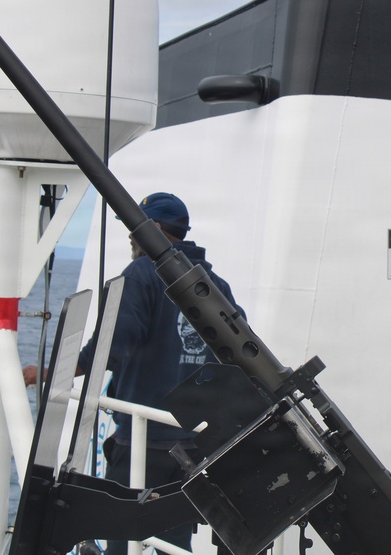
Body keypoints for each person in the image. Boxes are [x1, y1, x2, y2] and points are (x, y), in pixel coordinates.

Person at [25, 192, 244, 553]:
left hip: (144, 443)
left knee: (122, 537)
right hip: (194, 446)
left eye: (135, 227)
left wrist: (53, 373)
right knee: (171, 542)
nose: (130, 236)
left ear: (154, 230)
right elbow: (236, 356)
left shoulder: (143, 273)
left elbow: (116, 343)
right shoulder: (215, 285)